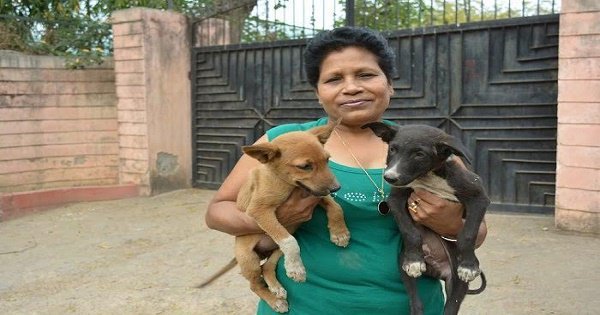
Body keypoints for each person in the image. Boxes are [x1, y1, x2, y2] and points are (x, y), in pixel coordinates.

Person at [205, 26, 487, 314]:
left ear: (389, 84)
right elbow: (217, 212)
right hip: (304, 307)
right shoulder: (286, 142)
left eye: (366, 75)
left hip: (411, 306)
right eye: (334, 79)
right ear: (317, 93)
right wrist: (276, 219)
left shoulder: (426, 146)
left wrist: (450, 223)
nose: (351, 87)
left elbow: (478, 231)